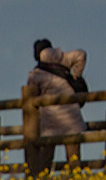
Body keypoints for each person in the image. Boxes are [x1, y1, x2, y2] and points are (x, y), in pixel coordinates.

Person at [27, 45, 87, 175]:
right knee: (73, 159)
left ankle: (41, 178)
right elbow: (81, 54)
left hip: (50, 121)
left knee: (45, 159)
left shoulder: (36, 74)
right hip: (71, 119)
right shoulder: (64, 59)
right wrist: (76, 75)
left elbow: (31, 97)